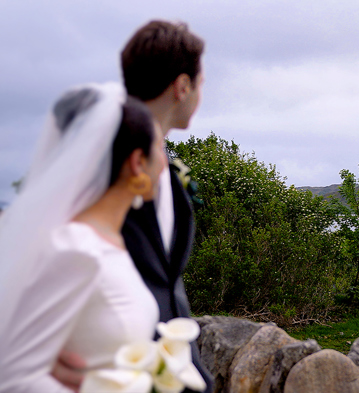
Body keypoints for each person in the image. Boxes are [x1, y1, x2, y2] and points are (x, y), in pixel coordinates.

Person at [0, 83, 205, 392]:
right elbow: (15, 377)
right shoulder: (75, 250)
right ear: (137, 163)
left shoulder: (114, 243)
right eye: (158, 148)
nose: (165, 161)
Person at [52, 20, 214, 392]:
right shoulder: (99, 168)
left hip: (176, 370)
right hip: (116, 370)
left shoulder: (170, 171)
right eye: (201, 84)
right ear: (183, 86)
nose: (200, 94)